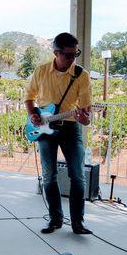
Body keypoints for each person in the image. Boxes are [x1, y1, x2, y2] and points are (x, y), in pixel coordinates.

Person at [25, 32, 92, 235]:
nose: (72, 59)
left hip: (71, 127)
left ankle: (78, 223)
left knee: (78, 176)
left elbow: (86, 114)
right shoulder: (41, 71)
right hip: (45, 128)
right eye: (68, 55)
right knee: (49, 176)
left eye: (75, 55)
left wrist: (84, 118)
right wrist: (34, 114)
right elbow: (29, 97)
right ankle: (55, 219)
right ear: (56, 52)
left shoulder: (82, 75)